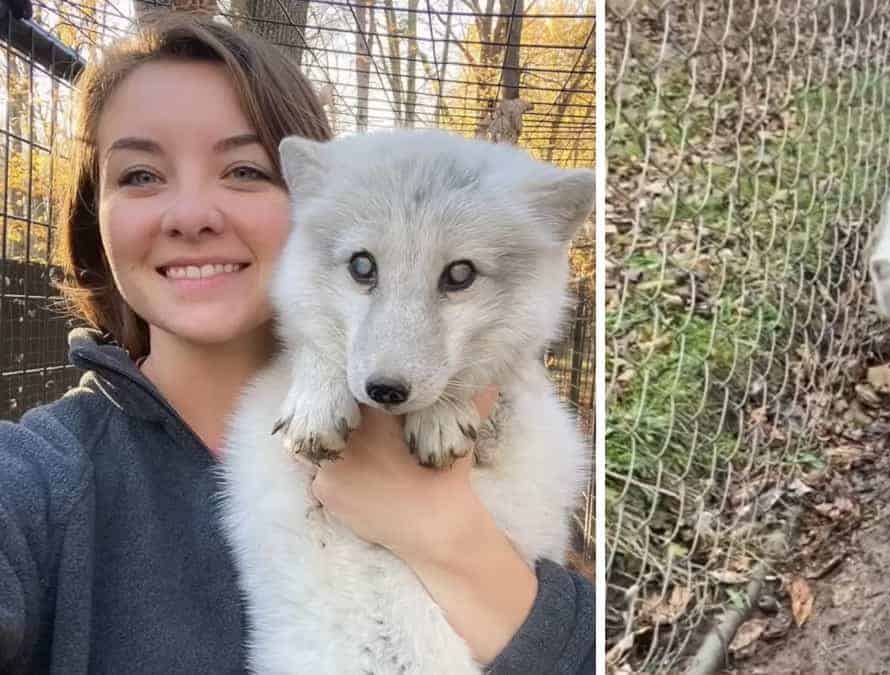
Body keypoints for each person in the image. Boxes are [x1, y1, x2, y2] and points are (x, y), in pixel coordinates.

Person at [0, 14, 594, 674]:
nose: (191, 215)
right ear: (95, 214)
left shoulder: (492, 406)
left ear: (310, 197)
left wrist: (447, 538)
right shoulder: (42, 482)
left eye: (245, 170)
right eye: (140, 174)